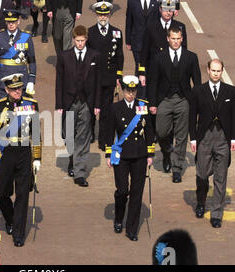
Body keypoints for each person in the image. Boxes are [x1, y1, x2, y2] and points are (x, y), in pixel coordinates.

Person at [0, 73, 41, 247]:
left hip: (24, 152)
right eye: (14, 88)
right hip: (5, 152)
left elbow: (36, 133)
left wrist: (37, 157)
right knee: (2, 193)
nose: (17, 91)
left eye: (19, 88)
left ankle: (18, 233)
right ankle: (10, 219)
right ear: (7, 89)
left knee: (23, 194)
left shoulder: (31, 104)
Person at [147, 26, 201, 183]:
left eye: (178, 39)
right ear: (168, 39)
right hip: (164, 99)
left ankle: (177, 168)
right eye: (173, 38)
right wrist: (152, 103)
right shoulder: (158, 57)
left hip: (184, 100)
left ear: (182, 39)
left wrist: (197, 103)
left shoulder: (191, 57)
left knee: (182, 136)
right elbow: (153, 82)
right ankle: (166, 152)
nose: (176, 41)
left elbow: (197, 83)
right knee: (161, 131)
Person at [189, 59, 235, 228]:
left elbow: (234, 116)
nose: (216, 73)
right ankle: (201, 202)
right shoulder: (198, 91)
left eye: (219, 71)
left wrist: (233, 138)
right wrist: (193, 138)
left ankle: (217, 212)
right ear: (208, 71)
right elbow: (192, 116)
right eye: (213, 70)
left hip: (223, 137)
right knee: (202, 174)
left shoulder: (230, 91)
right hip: (204, 137)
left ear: (222, 71)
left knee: (221, 176)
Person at [105, 75, 155, 241]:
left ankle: (132, 229)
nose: (130, 94)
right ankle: (119, 218)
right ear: (123, 90)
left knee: (136, 192)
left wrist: (150, 153)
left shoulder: (142, 107)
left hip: (140, 155)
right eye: (128, 91)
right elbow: (109, 131)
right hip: (122, 155)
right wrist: (108, 153)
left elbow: (149, 131)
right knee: (122, 190)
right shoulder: (115, 108)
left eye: (133, 91)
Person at [55, 25, 101, 187]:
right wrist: (59, 103)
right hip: (68, 101)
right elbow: (59, 81)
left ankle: (80, 172)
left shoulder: (95, 56)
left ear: (86, 39)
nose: (80, 43)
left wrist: (96, 104)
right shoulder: (64, 56)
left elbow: (97, 82)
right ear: (73, 40)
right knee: (67, 135)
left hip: (86, 103)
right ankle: (73, 159)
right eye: (78, 41)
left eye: (83, 41)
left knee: (83, 137)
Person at [87, 1, 124, 150]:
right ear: (96, 14)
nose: (103, 17)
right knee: (91, 108)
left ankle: (104, 140)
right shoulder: (90, 32)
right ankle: (90, 132)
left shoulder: (117, 32)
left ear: (109, 14)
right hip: (94, 77)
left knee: (106, 110)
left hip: (109, 77)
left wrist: (118, 75)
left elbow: (119, 55)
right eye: (100, 14)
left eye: (105, 14)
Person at [0, 9, 36, 100]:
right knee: (1, 111)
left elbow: (32, 60)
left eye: (13, 21)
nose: (11, 24)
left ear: (18, 21)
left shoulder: (26, 36)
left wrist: (31, 80)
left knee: (21, 111)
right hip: (2, 80)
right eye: (9, 22)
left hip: (21, 80)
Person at [138, 0, 187, 87]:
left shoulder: (180, 27)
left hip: (172, 69)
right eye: (165, 9)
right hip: (154, 69)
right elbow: (145, 50)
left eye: (171, 10)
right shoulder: (151, 26)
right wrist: (142, 72)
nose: (168, 12)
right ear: (160, 9)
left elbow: (184, 49)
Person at [125, 0, 159, 99]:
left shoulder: (156, 2)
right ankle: (140, 96)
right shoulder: (132, 2)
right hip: (137, 42)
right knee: (140, 68)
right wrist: (128, 41)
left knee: (151, 67)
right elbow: (129, 20)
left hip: (153, 42)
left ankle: (149, 94)